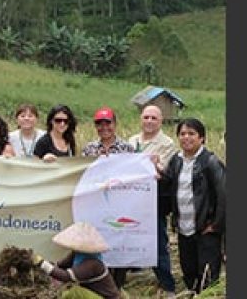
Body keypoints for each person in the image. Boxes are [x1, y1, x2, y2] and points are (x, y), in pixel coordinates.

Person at [161, 118, 225, 294]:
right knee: (189, 273)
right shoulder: (176, 161)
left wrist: (215, 225)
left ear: (202, 138)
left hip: (205, 228)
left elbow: (224, 196)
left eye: (191, 134)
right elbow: (166, 184)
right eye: (182, 134)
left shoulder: (210, 162)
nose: (186, 137)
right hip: (183, 228)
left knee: (208, 277)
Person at [80, 107, 134, 290]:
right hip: (95, 207)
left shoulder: (127, 148)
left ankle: (116, 287)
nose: (104, 127)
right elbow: (81, 176)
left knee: (118, 245)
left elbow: (135, 176)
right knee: (97, 246)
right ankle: (98, 285)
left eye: (107, 123)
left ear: (115, 124)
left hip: (120, 207)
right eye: (99, 124)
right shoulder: (89, 149)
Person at [128, 105, 177, 297]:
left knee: (158, 240)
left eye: (153, 118)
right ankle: (132, 270)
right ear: (141, 119)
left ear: (161, 121)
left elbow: (161, 172)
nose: (149, 121)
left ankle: (167, 284)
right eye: (146, 117)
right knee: (129, 233)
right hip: (132, 199)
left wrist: (152, 166)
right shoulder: (131, 140)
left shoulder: (167, 143)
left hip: (154, 200)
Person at [31, 222, 121, 299]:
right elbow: (60, 265)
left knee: (75, 292)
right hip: (92, 294)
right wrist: (44, 264)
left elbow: (65, 276)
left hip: (104, 297)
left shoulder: (93, 264)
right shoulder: (77, 254)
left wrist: (42, 263)